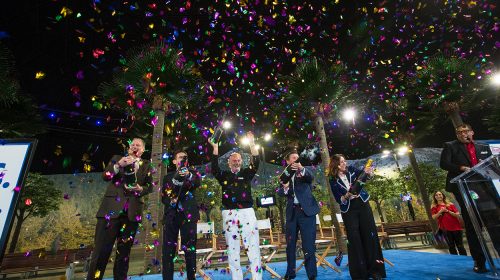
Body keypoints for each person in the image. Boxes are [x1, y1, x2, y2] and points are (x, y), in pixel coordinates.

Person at [87, 138, 152, 280]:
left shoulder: (147, 165)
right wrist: (118, 165)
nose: (135, 146)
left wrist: (140, 189)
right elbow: (106, 176)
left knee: (124, 255)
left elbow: (150, 186)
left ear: (143, 150)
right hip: (110, 212)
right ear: (129, 147)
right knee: (101, 252)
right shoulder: (117, 158)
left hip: (131, 214)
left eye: (138, 145)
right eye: (133, 144)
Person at [208, 132, 262, 280]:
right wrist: (215, 147)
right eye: (234, 160)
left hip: (247, 212)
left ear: (241, 162)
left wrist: (251, 143)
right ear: (229, 162)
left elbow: (256, 161)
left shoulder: (247, 173)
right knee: (232, 249)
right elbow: (214, 167)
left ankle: (257, 278)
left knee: (252, 246)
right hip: (229, 213)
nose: (236, 162)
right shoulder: (224, 175)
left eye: (238, 160)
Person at [440, 123, 492, 273]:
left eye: (465, 131)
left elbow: (490, 164)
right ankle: (479, 261)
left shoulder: (483, 146)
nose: (463, 134)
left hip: (484, 188)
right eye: (459, 133)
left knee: (493, 222)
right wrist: (462, 168)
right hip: (463, 187)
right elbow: (444, 163)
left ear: (472, 132)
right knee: (472, 224)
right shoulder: (450, 146)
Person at [328, 154, 386, 280]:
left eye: (344, 161)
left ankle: (376, 271)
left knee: (369, 236)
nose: (344, 164)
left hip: (363, 204)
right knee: (354, 240)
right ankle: (360, 273)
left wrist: (369, 173)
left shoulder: (352, 170)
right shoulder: (332, 180)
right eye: (341, 162)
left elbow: (366, 176)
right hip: (349, 210)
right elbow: (339, 200)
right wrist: (347, 195)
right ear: (335, 165)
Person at [277, 149, 319, 280]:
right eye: (293, 158)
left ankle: (312, 275)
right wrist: (285, 187)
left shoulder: (304, 171)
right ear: (288, 161)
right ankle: (290, 273)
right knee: (290, 245)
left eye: (297, 158)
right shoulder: (284, 175)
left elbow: (311, 178)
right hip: (292, 213)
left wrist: (301, 169)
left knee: (308, 245)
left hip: (306, 212)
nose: (296, 160)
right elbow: (279, 192)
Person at [161, 150, 201, 280]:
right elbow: (163, 198)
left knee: (190, 250)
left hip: (188, 215)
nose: (183, 159)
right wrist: (171, 200)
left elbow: (197, 183)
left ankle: (191, 278)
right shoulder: (168, 177)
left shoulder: (193, 174)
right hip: (171, 216)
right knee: (168, 251)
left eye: (185, 157)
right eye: (180, 157)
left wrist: (188, 175)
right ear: (174, 161)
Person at [431, 191, 467, 256]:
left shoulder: (450, 204)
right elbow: (434, 217)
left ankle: (464, 259)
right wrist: (440, 211)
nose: (439, 196)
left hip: (456, 227)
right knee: (451, 246)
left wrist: (448, 211)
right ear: (435, 197)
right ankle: (455, 260)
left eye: (440, 194)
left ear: (443, 195)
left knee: (460, 246)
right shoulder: (434, 206)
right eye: (436, 195)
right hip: (445, 229)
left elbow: (457, 215)